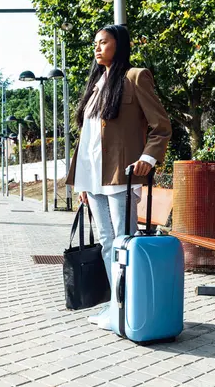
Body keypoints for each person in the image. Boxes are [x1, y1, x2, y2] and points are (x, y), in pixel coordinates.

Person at [64, 24, 172, 329]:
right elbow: (88, 140)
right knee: (107, 242)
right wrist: (82, 182)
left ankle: (129, 307)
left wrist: (148, 158)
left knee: (125, 242)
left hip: (121, 175)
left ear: (118, 45)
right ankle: (116, 305)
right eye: (95, 43)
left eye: (103, 43)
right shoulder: (96, 85)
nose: (97, 48)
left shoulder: (135, 77)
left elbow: (161, 126)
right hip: (94, 177)